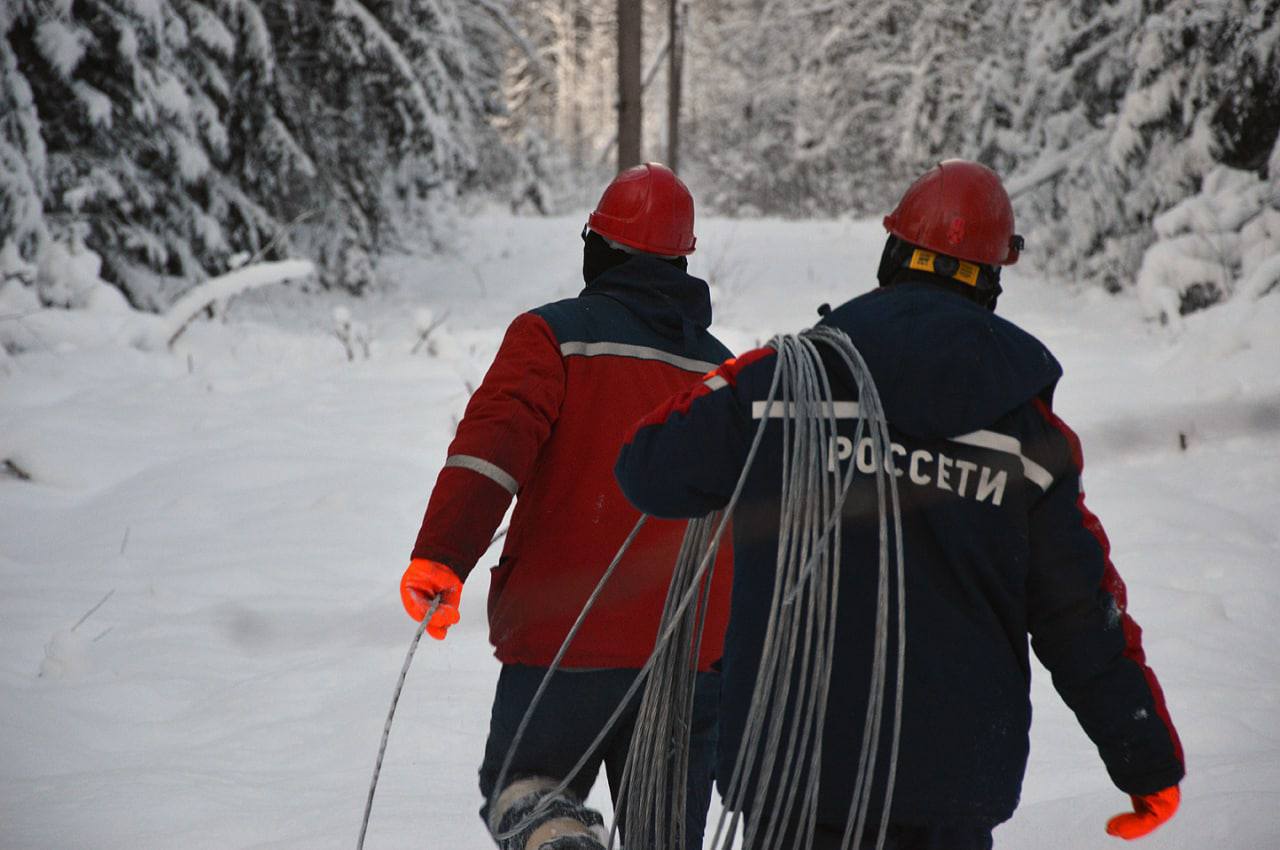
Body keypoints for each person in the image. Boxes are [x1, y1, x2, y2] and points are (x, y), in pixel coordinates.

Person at [614, 160, 1185, 849]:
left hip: (793, 775)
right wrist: (1143, 756)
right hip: (951, 786)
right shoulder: (1031, 438)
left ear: (893, 254)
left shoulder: (782, 384)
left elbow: (648, 468)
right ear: (991, 282)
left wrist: (741, 383)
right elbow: (1081, 611)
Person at [400, 163, 734, 850]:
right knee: (664, 836)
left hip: (566, 633)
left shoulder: (550, 337)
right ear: (681, 259)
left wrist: (441, 558)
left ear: (599, 247)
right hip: (689, 654)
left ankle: (556, 839)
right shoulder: (724, 374)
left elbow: (488, 454)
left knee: (525, 792)